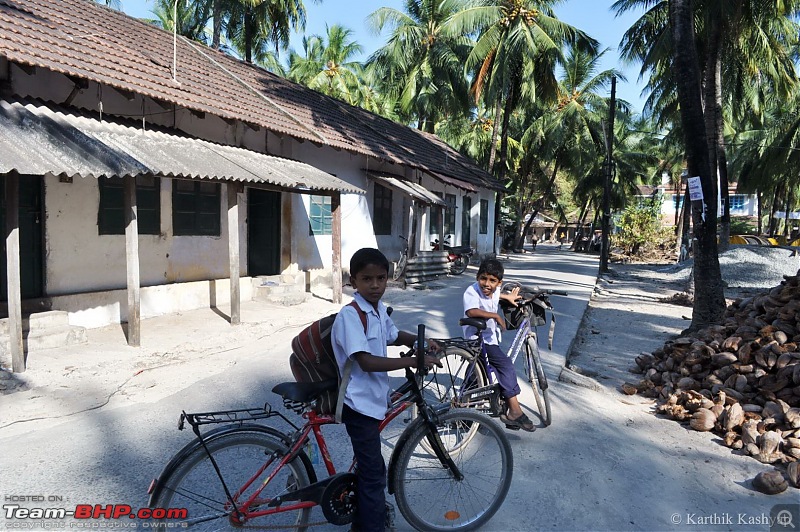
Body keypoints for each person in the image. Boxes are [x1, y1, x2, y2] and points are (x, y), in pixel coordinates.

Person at [331, 247, 440, 532]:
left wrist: (423, 342)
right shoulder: (351, 316)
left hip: (373, 401)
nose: (376, 285)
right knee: (374, 475)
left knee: (368, 468)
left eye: (381, 278)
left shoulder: (377, 311)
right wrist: (413, 359)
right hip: (359, 405)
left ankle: (361, 515)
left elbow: (393, 334)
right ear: (353, 281)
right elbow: (365, 362)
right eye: (367, 279)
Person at [462, 258, 535, 432]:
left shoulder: (495, 290)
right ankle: (515, 411)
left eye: (492, 281)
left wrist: (507, 297)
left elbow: (496, 294)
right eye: (483, 279)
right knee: (505, 366)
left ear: (499, 282)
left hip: (488, 338)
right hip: (477, 339)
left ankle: (465, 413)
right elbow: (471, 311)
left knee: (475, 376)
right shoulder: (471, 291)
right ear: (477, 277)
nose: (487, 284)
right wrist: (495, 316)